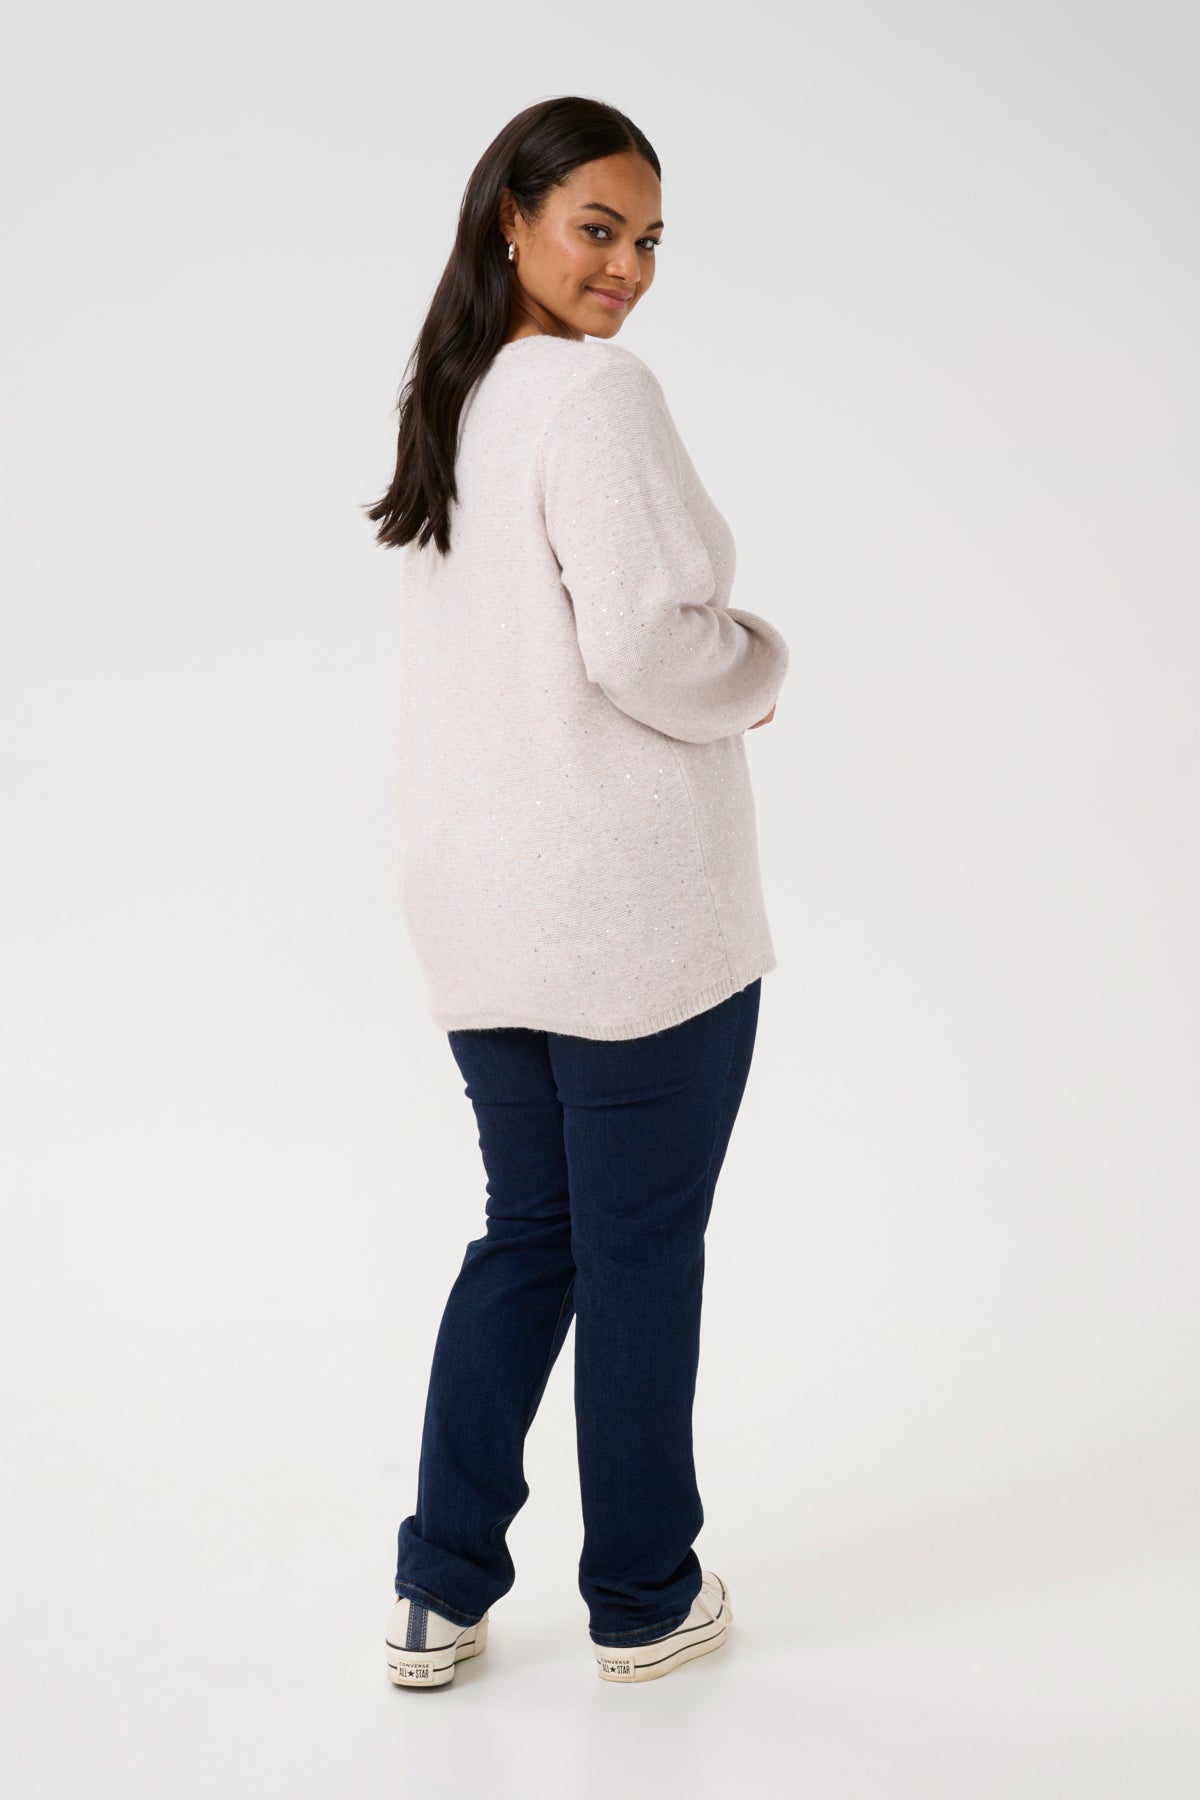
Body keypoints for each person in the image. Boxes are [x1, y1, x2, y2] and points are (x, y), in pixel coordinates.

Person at [363, 95, 790, 1686]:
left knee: (527, 1237)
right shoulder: (595, 394)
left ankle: (437, 1590)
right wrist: (757, 667)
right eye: (599, 229)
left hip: (479, 904)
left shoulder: (456, 392)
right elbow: (646, 642)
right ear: (514, 220)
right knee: (635, 1259)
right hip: (626, 914)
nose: (628, 268)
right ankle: (643, 1595)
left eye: (651, 240)